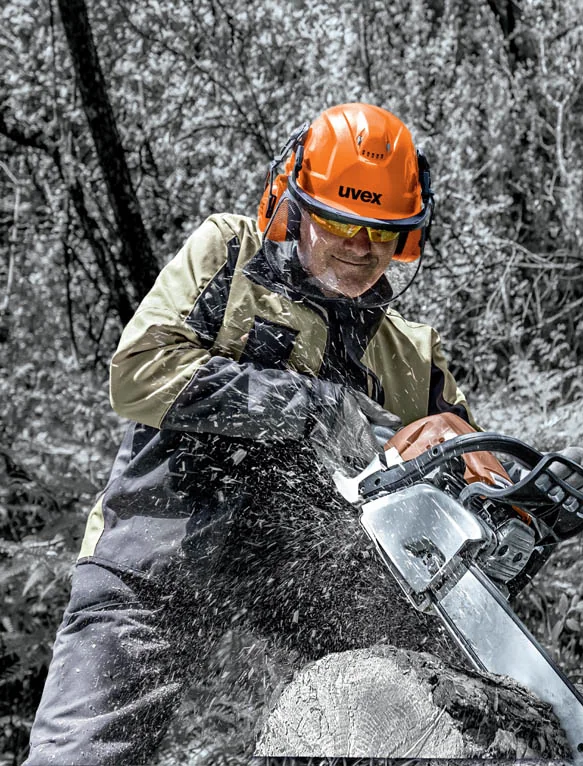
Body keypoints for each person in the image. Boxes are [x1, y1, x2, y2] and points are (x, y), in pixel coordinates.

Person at [25, 103, 477, 765]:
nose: (361, 246)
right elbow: (138, 373)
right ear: (295, 205)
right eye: (340, 221)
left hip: (309, 589)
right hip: (154, 554)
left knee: (427, 701)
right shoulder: (229, 256)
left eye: (382, 230)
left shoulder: (405, 352)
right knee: (81, 754)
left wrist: (464, 454)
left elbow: (473, 468)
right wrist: (313, 404)